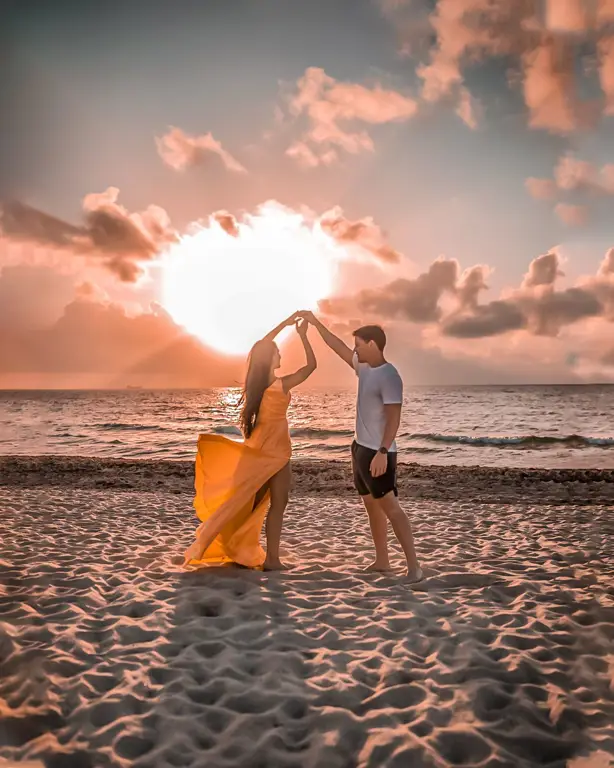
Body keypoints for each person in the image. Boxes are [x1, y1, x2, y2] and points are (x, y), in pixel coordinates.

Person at [182, 312, 315, 571]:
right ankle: (272, 560)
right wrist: (302, 336)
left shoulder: (257, 383)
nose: (280, 356)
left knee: (247, 504)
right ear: (270, 359)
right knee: (277, 505)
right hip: (277, 451)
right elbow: (311, 367)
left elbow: (261, 348)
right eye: (277, 353)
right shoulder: (281, 384)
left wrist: (283, 325)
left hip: (257, 450)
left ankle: (247, 552)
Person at [298, 311, 423, 582]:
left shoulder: (390, 376)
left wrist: (382, 452)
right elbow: (337, 346)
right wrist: (315, 322)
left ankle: (414, 567)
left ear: (372, 344)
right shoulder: (363, 367)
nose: (354, 348)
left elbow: (394, 418)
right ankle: (382, 561)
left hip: (379, 452)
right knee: (371, 505)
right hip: (360, 448)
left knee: (390, 507)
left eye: (358, 344)